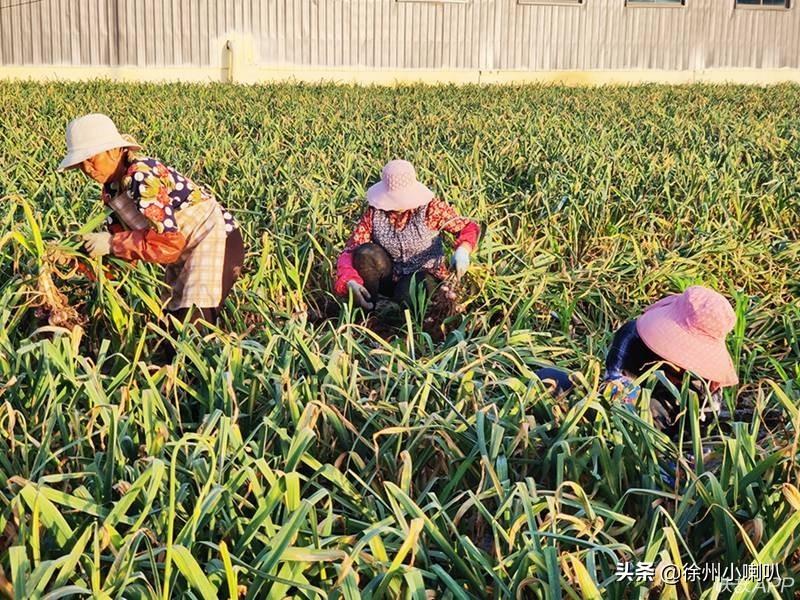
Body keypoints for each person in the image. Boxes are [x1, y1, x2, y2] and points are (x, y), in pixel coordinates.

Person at [57, 113, 244, 326]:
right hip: (186, 253)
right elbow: (124, 260)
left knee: (194, 326)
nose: (87, 169)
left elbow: (168, 244)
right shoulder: (111, 192)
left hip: (215, 241)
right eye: (81, 163)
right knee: (172, 326)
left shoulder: (141, 176)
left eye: (91, 159)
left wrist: (110, 243)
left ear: (114, 151)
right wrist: (75, 261)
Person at [535, 286, 739, 433]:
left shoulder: (705, 387)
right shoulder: (633, 336)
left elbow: (699, 432)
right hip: (615, 401)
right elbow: (613, 382)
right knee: (547, 378)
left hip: (660, 430)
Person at [333, 159, 480, 309]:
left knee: (407, 297)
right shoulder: (374, 213)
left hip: (424, 274)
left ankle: (404, 308)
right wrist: (349, 280)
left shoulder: (431, 209)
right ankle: (370, 307)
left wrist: (463, 249)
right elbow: (351, 250)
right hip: (391, 275)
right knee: (365, 253)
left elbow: (468, 227)